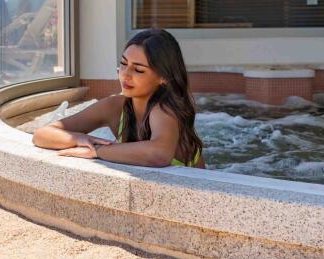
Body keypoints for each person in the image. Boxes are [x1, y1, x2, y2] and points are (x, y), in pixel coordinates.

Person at [32, 29, 205, 168]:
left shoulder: (165, 109)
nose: (125, 75)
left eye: (138, 70)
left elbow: (159, 154)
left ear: (164, 77)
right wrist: (80, 139)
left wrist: (97, 151)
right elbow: (41, 134)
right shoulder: (114, 106)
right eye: (123, 64)